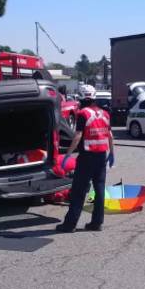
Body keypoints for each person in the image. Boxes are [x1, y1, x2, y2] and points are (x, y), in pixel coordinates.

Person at [56, 84, 114, 233]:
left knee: (78, 191)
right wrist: (112, 153)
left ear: (81, 97)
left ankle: (70, 224)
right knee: (99, 190)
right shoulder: (105, 113)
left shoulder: (83, 114)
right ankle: (97, 223)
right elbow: (110, 135)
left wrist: (68, 154)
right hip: (102, 156)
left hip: (87, 157)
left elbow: (78, 136)